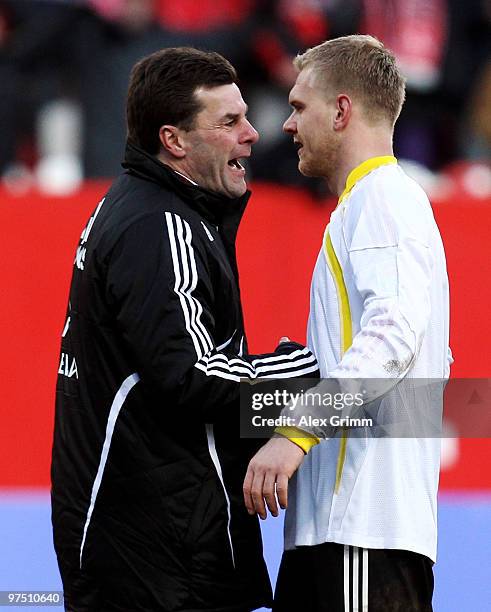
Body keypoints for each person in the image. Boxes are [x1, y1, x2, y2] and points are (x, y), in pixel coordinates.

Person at [51, 47, 318, 612]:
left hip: (144, 541)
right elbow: (191, 375)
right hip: (157, 557)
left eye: (245, 116)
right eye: (228, 123)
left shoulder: (150, 208)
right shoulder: (161, 223)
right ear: (174, 141)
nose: (252, 134)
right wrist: (309, 373)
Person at [243, 35, 452, 611]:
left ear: (341, 111)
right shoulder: (370, 203)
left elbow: (393, 338)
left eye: (299, 106)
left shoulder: (385, 199)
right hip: (344, 532)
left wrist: (295, 433)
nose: (286, 125)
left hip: (360, 531)